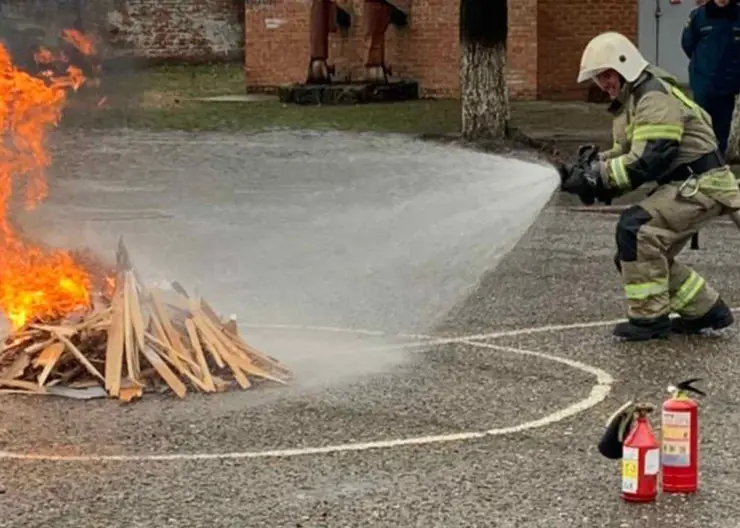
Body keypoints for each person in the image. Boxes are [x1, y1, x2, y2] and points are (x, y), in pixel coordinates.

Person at [560, 31, 740, 341]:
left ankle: (649, 320)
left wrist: (598, 177)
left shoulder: (652, 96)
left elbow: (652, 157)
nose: (604, 85)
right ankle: (705, 309)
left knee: (636, 229)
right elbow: (628, 154)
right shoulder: (635, 99)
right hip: (688, 183)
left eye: (606, 75)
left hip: (701, 183)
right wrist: (587, 170)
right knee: (634, 256)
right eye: (599, 79)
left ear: (624, 64)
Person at [681, 0, 740, 155]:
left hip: (728, 87)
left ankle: (718, 167)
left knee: (722, 131)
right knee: (701, 129)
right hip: (703, 86)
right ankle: (701, 165)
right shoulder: (699, 16)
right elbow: (688, 44)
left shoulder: (737, 15)